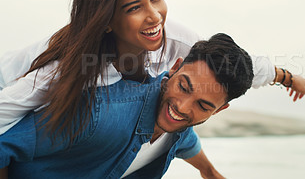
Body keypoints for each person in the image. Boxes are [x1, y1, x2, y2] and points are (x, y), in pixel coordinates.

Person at [0, 0, 305, 136]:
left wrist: (289, 77)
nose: (155, 17)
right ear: (106, 20)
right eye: (134, 8)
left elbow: (244, 67)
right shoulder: (72, 67)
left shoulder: (178, 42)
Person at [1, 33, 254, 178]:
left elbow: (188, 144)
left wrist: (209, 171)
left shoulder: (180, 128)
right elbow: (4, 145)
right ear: (174, 68)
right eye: (184, 87)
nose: (183, 108)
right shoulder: (101, 112)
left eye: (203, 105)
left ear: (218, 110)